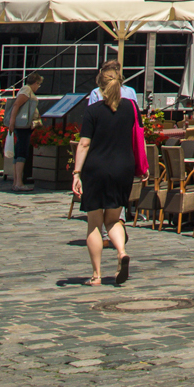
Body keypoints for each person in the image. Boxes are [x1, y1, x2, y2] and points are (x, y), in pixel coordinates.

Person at [71, 67, 136, 287]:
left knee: (94, 224)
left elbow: (84, 143)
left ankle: (97, 275)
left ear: (100, 87)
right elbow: (137, 135)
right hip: (123, 168)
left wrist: (77, 172)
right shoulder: (130, 108)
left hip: (97, 169)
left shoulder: (93, 110)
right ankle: (121, 251)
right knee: (113, 219)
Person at [5, 75, 43, 192]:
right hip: (22, 125)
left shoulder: (26, 89)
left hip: (24, 125)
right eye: (39, 84)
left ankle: (17, 182)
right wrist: (12, 122)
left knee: (19, 151)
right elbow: (17, 104)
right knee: (22, 152)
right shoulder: (26, 90)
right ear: (35, 83)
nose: (38, 87)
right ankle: (19, 182)